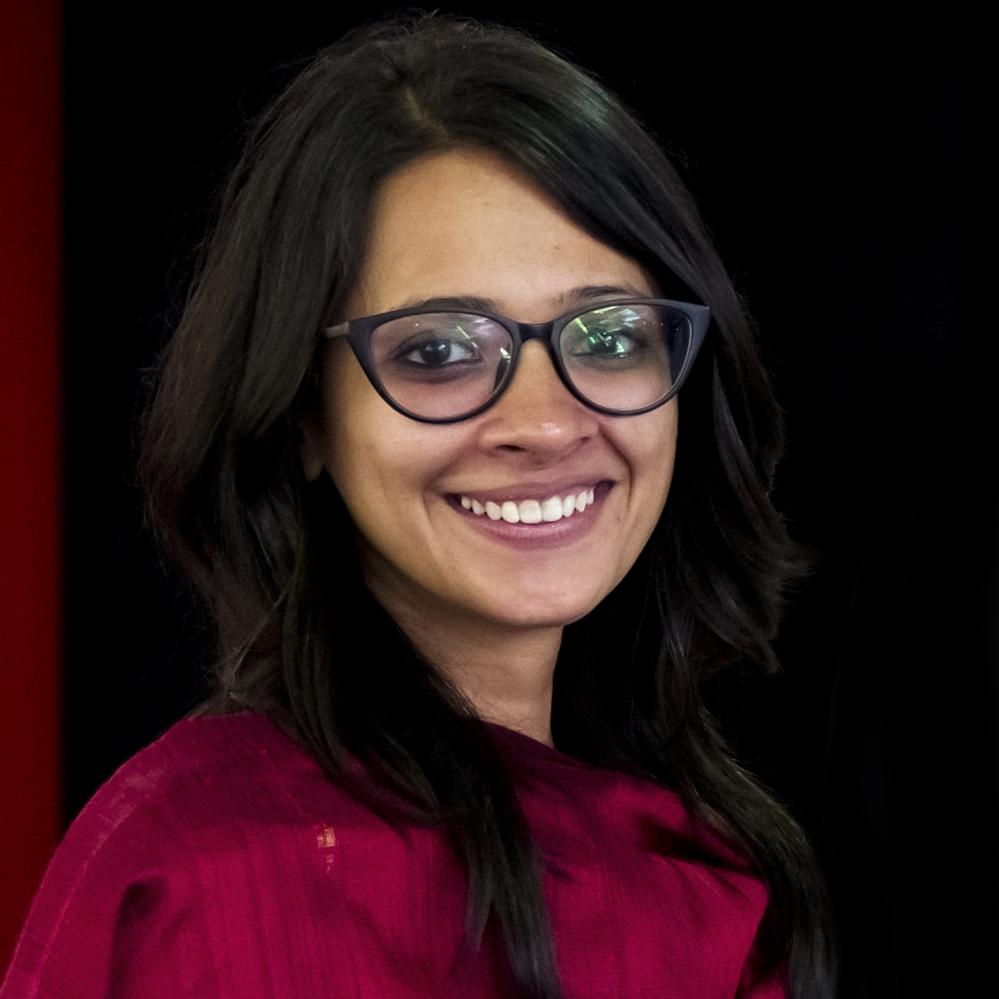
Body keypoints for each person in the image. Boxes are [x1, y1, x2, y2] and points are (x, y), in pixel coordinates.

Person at [1, 11, 839, 999]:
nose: (544, 422)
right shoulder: (200, 876)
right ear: (303, 413)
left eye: (610, 338)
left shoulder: (708, 875)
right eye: (438, 351)